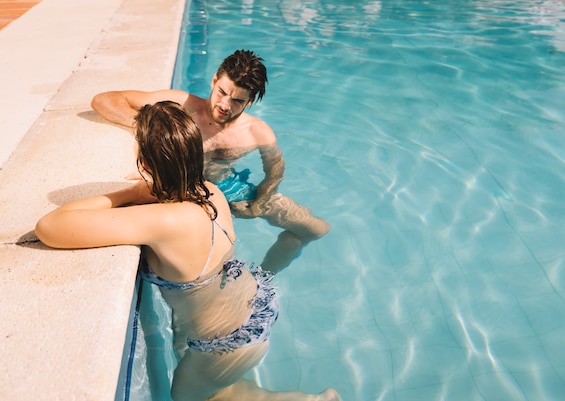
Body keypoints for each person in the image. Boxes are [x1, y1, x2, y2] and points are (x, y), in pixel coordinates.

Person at [35, 102, 341, 401]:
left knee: (184, 396)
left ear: (144, 164)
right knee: (218, 390)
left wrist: (130, 192)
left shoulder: (165, 220)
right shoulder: (211, 191)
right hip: (253, 308)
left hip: (227, 342)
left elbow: (50, 226)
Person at [90, 49, 329, 274]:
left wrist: (259, 203)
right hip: (178, 188)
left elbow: (275, 171)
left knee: (315, 229)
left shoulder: (258, 132)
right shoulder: (181, 105)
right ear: (214, 80)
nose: (225, 105)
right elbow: (104, 100)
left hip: (228, 189)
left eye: (237, 100)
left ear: (250, 102)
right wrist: (151, 128)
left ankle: (264, 275)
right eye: (222, 92)